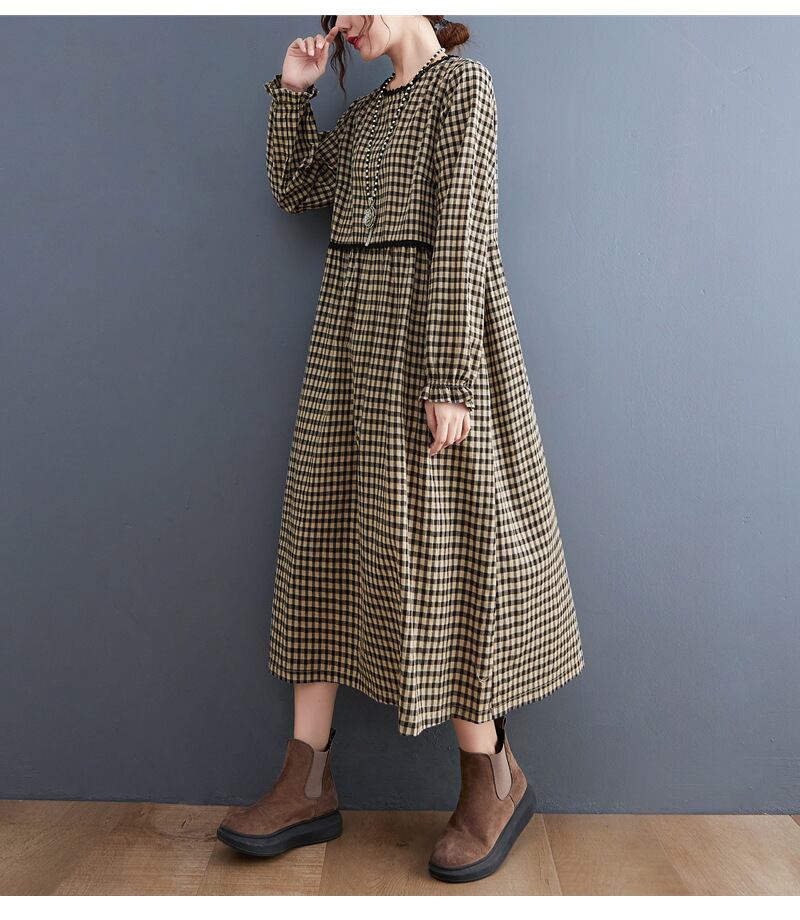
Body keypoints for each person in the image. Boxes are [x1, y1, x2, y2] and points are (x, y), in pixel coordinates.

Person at [216, 15, 585, 883]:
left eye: (347, 5)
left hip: (427, 350)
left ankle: (492, 778)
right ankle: (306, 777)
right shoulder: (368, 114)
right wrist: (293, 95)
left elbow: (463, 231)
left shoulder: (464, 87)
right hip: (346, 352)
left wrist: (449, 375)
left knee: (447, 555)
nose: (341, 24)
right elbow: (295, 185)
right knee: (322, 543)